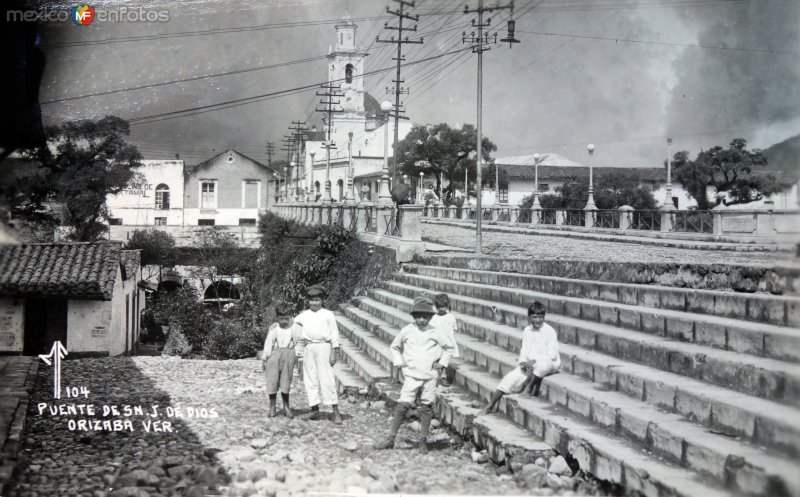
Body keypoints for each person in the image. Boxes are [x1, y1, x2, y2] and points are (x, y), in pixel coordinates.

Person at [374, 296, 453, 452]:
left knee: (426, 406)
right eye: (418, 316)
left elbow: (448, 348)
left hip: (430, 376)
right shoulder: (407, 330)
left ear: (431, 317)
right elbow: (395, 347)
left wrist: (442, 363)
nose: (422, 320)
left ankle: (423, 440)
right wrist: (399, 362)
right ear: (413, 316)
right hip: (411, 374)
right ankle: (391, 438)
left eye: (425, 316)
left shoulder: (435, 331)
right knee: (403, 405)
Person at [479, 302, 560, 416]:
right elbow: (524, 350)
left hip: (549, 363)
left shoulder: (549, 331)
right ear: (529, 317)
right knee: (509, 379)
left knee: (543, 366)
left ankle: (529, 387)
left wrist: (535, 360)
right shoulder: (527, 330)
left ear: (544, 317)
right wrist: (523, 362)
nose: (537, 320)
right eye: (534, 317)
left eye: (540, 317)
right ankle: (490, 405)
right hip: (530, 365)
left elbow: (552, 354)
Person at [294, 284, 343, 424]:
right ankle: (314, 409)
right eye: (312, 300)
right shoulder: (304, 315)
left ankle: (335, 411)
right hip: (309, 348)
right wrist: (276, 325)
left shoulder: (328, 314)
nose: (314, 303)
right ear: (308, 301)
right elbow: (292, 323)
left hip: (324, 348)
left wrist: (334, 352)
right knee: (310, 379)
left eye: (317, 300)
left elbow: (334, 334)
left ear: (322, 300)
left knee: (327, 379)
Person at [261, 303, 304, 418]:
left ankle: (286, 406)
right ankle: (272, 406)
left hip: (289, 354)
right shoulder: (274, 328)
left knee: (286, 381)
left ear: (290, 316)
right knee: (272, 380)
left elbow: (299, 341)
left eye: (286, 318)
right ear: (277, 318)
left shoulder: (295, 328)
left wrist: (298, 355)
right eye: (281, 318)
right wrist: (265, 358)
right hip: (274, 354)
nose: (284, 321)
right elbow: (268, 343)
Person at [429, 293, 460, 387]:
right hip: (438, 342)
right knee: (437, 358)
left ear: (447, 306)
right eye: (439, 307)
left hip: (447, 341)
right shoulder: (434, 317)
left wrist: (453, 331)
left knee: (444, 359)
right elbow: (431, 328)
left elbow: (455, 327)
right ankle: (434, 377)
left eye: (443, 307)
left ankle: (443, 377)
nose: (441, 309)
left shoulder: (450, 317)